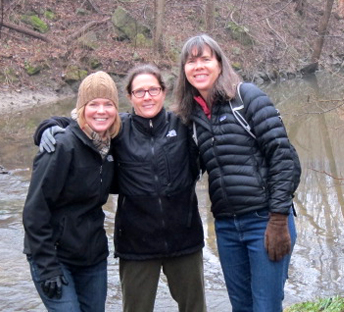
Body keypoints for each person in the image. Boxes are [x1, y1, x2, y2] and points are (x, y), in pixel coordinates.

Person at [34, 64, 206, 312]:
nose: (147, 96)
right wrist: (48, 126)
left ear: (163, 92)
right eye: (139, 91)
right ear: (129, 97)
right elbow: (83, 122)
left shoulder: (182, 125)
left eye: (153, 90)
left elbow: (214, 123)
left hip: (185, 241)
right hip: (136, 246)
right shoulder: (118, 130)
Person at [172, 34, 302, 312]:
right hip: (227, 226)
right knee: (241, 307)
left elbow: (284, 157)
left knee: (265, 306)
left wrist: (278, 219)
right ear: (184, 70)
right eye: (191, 61)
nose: (199, 66)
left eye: (205, 59)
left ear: (219, 63)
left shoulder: (246, 98)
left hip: (265, 220)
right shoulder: (191, 115)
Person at [23, 71, 122, 312]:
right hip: (55, 256)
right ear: (81, 109)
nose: (101, 111)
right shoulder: (61, 146)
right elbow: (35, 211)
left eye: (108, 104)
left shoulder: (109, 145)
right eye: (93, 104)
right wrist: (47, 266)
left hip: (92, 257)